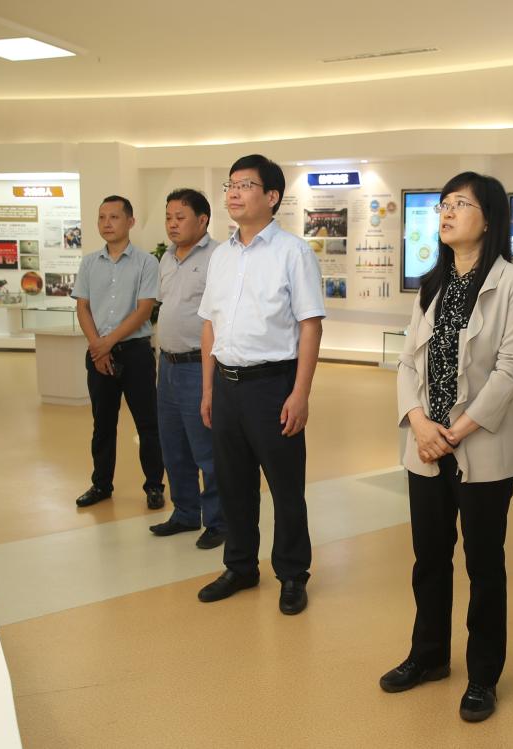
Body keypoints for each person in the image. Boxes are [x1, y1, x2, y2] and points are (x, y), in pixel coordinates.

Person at [381, 172, 513, 723]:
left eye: (460, 204)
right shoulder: (433, 283)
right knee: (429, 558)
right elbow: (407, 363)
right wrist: (419, 423)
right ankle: (427, 656)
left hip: (480, 446)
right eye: (443, 205)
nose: (446, 213)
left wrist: (456, 430)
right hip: (426, 445)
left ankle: (482, 676)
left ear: (488, 218)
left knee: (484, 564)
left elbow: (511, 367)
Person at [196, 155, 325, 616]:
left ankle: (292, 573)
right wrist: (208, 390)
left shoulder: (293, 252)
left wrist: (300, 393)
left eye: (245, 185)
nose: (233, 193)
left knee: (286, 488)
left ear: (271, 197)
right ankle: (240, 566)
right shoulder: (222, 255)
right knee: (233, 484)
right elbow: (210, 325)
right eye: (230, 185)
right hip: (227, 386)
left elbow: (310, 325)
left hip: (273, 385)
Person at [71, 196, 165, 510]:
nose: (107, 223)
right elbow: (82, 307)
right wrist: (98, 348)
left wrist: (105, 343)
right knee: (102, 424)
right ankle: (101, 484)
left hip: (135, 353)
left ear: (130, 222)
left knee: (148, 424)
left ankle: (154, 486)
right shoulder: (88, 263)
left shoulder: (146, 262)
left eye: (114, 217)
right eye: (101, 217)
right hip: (99, 354)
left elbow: (144, 310)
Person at [150, 189, 226, 549]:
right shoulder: (166, 258)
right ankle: (184, 512)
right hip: (167, 365)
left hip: (199, 366)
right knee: (173, 446)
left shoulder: (217, 257)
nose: (172, 224)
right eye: (168, 217)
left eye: (180, 217)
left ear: (202, 220)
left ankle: (218, 521)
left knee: (206, 449)